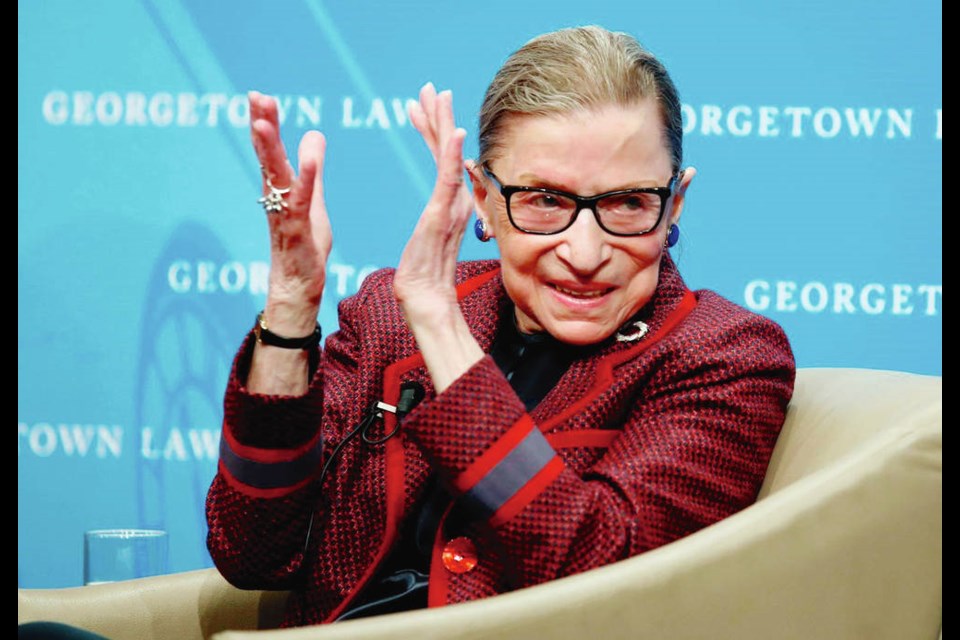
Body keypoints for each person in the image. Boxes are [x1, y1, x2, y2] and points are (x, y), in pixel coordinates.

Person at [205, 24, 796, 628]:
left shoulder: (724, 354)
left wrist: (441, 327)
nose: (585, 253)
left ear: (673, 204)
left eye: (627, 203)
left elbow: (605, 576)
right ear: (483, 197)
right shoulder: (389, 317)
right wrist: (290, 308)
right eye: (545, 200)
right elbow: (253, 552)